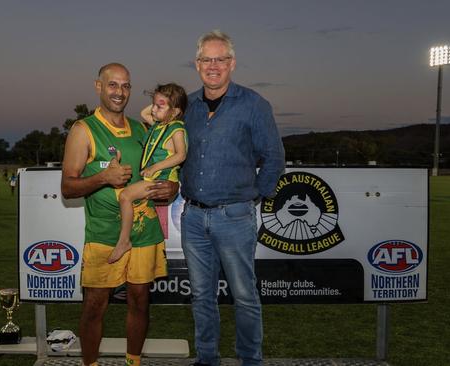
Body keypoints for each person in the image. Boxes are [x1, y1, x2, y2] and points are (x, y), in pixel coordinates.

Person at [61, 62, 178, 366]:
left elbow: (165, 169)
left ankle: (133, 362)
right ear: (98, 86)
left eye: (126, 86)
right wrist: (103, 178)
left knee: (140, 301)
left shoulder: (142, 130)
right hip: (104, 235)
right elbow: (67, 188)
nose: (120, 92)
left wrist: (172, 190)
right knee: (94, 306)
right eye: (113, 84)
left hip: (145, 231)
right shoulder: (83, 130)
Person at [180, 30, 285, 366]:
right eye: (207, 59)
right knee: (201, 296)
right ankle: (207, 357)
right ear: (197, 64)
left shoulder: (254, 104)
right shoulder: (188, 108)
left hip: (234, 218)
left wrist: (255, 196)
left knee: (244, 295)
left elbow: (274, 157)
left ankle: (250, 359)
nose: (214, 66)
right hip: (193, 217)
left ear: (232, 63)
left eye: (220, 59)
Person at [108, 83, 188, 264]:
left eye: (160, 106)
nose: (153, 109)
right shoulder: (160, 126)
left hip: (162, 179)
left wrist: (155, 167)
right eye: (153, 104)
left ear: (175, 112)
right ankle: (126, 238)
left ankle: (124, 241)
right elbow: (144, 114)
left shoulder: (176, 129)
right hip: (152, 177)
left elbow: (181, 155)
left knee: (125, 196)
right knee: (127, 199)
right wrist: (159, 99)